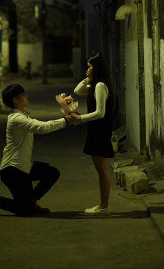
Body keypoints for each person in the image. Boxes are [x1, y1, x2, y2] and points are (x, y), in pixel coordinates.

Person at [0, 83, 79, 217]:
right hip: (13, 170)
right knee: (24, 210)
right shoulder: (16, 119)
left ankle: (31, 202)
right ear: (15, 100)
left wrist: (67, 114)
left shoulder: (22, 116)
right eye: (24, 95)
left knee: (52, 173)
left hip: (24, 167)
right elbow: (42, 127)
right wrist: (65, 120)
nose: (27, 97)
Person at [73, 52, 114, 215]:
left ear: (97, 68)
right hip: (96, 130)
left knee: (102, 169)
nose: (87, 69)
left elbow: (100, 113)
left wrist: (80, 118)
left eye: (90, 66)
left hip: (100, 130)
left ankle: (103, 206)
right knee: (100, 168)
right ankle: (103, 205)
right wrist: (87, 79)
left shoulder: (100, 86)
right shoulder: (94, 84)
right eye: (87, 66)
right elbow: (77, 90)